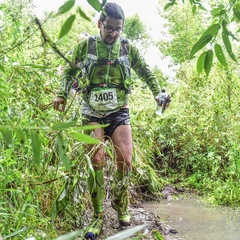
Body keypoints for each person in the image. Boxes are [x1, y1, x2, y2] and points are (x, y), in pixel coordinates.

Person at [53, 2, 168, 239]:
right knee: (96, 160)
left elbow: (145, 70)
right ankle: (97, 216)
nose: (113, 33)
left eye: (118, 29)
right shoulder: (85, 46)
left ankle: (121, 205)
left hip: (118, 110)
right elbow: (69, 72)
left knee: (124, 160)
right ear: (99, 24)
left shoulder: (127, 48)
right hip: (91, 111)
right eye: (109, 28)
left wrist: (157, 92)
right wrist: (61, 94)